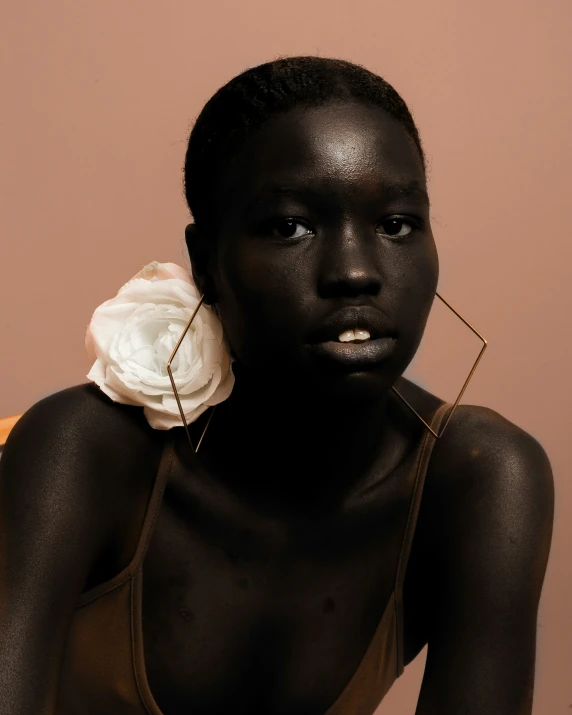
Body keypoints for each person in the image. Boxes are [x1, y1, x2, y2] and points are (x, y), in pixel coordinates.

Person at [0, 56, 554, 715]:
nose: (354, 272)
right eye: (291, 226)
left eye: (397, 223)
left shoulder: (477, 477)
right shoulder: (85, 450)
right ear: (207, 262)